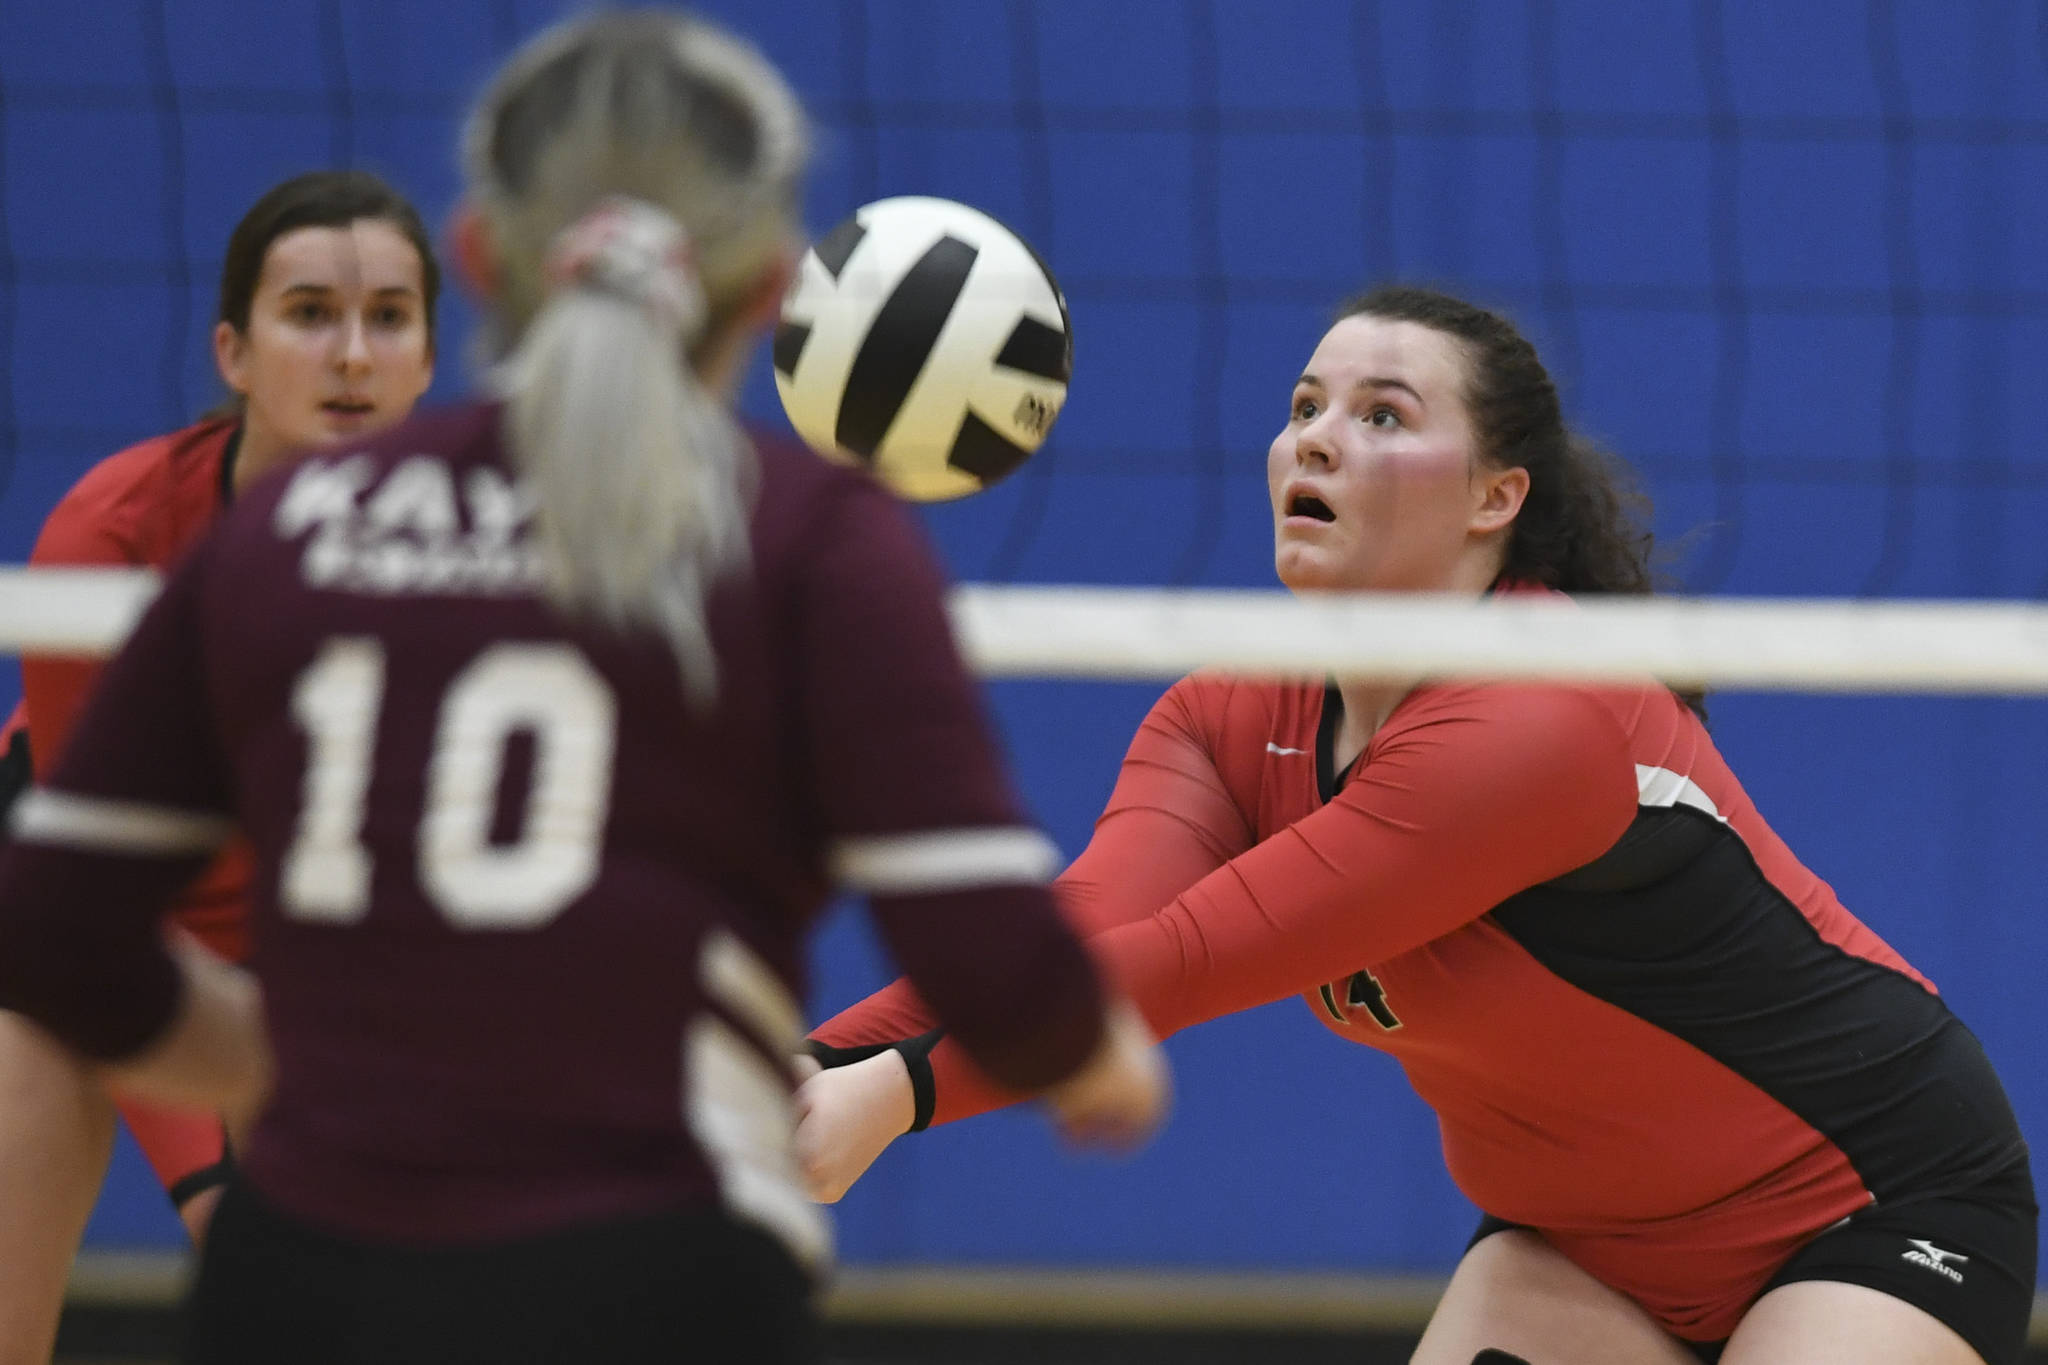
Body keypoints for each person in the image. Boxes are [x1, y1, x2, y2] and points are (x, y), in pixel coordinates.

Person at [0, 10, 1167, 1364]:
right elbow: (991, 957)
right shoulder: (808, 537)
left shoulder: (286, 529)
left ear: (477, 262)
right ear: (768, 288)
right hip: (662, 1272)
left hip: (310, 1270)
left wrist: (282, 1059)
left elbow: (56, 933)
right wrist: (1094, 1061)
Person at [795, 286, 2036, 1365]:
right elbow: (1068, 943)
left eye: (1380, 416)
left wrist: (896, 1099)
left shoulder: (1534, 718)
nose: (1315, 439)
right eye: (1302, 407)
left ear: (1496, 496)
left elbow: (1179, 964)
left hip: (1866, 1206)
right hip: (1579, 1246)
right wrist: (810, 1064)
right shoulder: (1226, 719)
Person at [0, 167, 438, 1364]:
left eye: (389, 318)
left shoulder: (469, 555)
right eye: (311, 315)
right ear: (233, 354)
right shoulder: (114, 540)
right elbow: (92, 923)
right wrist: (213, 1184)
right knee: (27, 1094)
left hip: (319, 966)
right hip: (59, 913)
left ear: (427, 363)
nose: (353, 355)